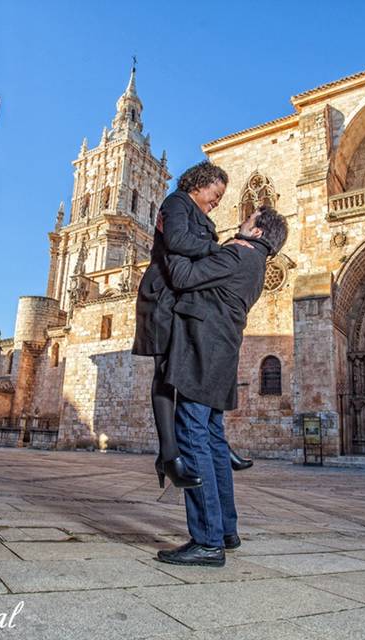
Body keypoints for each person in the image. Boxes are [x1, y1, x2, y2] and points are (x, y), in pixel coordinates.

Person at [156, 207, 288, 567]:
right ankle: (226, 530)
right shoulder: (256, 264)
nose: (241, 222)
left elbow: (182, 275)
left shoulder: (237, 255)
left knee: (194, 438)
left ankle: (207, 540)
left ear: (257, 232)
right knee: (214, 442)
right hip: (222, 355)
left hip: (204, 353)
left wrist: (171, 239)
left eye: (248, 220)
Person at [132, 161, 252, 489]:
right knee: (165, 372)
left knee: (184, 369)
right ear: (200, 184)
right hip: (163, 295)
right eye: (217, 194)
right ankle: (169, 454)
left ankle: (213, 444)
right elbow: (177, 241)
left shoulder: (199, 214)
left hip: (180, 295)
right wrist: (222, 248)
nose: (219, 201)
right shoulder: (176, 203)